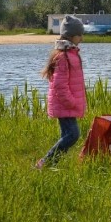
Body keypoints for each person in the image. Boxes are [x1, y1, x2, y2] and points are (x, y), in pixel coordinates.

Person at [35, 15, 87, 169]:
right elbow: (59, 85)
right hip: (65, 104)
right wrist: (71, 102)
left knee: (67, 135)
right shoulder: (63, 56)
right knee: (73, 135)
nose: (82, 38)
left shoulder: (70, 53)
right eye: (80, 35)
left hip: (67, 104)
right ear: (71, 36)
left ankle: (50, 164)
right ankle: (45, 162)